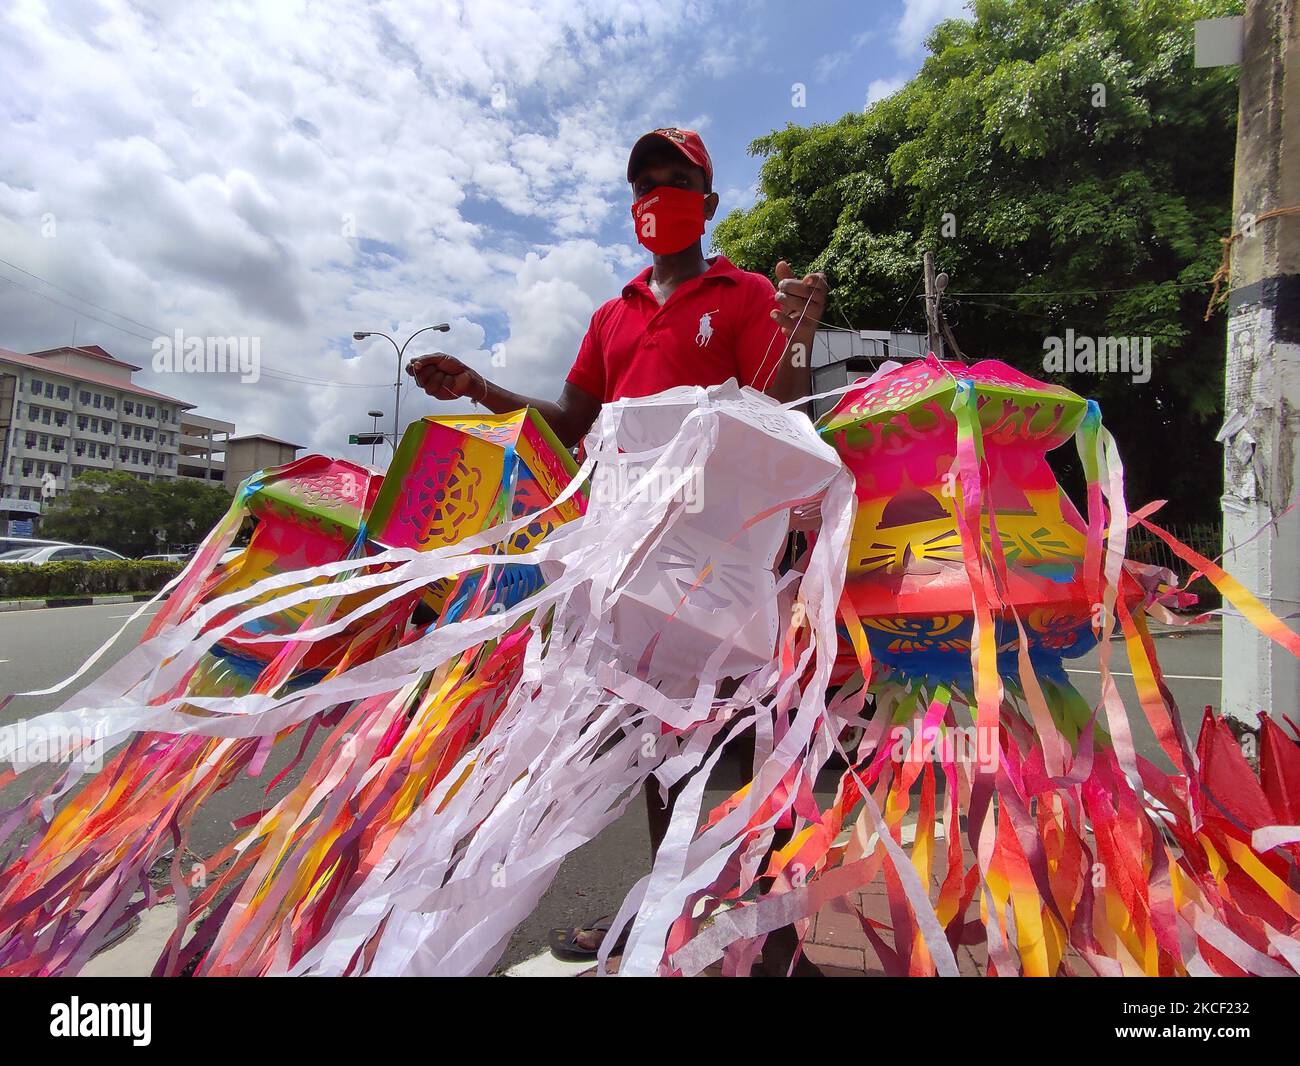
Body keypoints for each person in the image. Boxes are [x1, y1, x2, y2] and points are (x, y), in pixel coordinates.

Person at [408, 127, 828, 975]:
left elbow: (780, 415)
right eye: (645, 181)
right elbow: (569, 424)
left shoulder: (745, 295)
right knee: (657, 743)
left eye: (677, 180)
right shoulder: (612, 314)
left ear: (707, 204)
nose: (657, 194)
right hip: (633, 559)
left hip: (727, 551)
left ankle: (780, 939)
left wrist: (801, 338)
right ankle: (670, 924)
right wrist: (478, 389)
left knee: (753, 740)